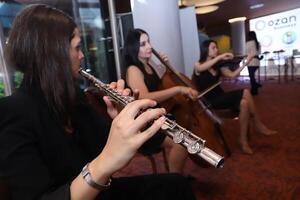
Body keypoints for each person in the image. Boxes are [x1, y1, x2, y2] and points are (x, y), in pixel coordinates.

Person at [0, 5, 196, 200]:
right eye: (77, 48)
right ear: (53, 54)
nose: (82, 55)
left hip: (100, 192)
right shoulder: (12, 112)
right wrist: (105, 162)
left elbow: (108, 148)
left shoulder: (73, 98)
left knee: (176, 186)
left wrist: (122, 120)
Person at [124, 28, 198, 174]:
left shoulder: (149, 65)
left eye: (149, 42)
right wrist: (178, 90)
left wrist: (166, 64)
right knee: (181, 143)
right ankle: (175, 183)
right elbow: (144, 97)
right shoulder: (133, 69)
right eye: (143, 44)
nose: (149, 47)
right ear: (134, 48)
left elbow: (165, 80)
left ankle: (177, 176)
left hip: (158, 118)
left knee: (186, 135)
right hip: (145, 125)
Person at [193, 39, 277, 154]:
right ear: (205, 50)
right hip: (210, 101)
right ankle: (258, 124)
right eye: (213, 48)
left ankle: (243, 141)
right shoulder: (198, 65)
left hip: (221, 95)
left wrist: (246, 61)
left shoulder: (219, 66)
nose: (216, 50)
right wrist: (220, 57)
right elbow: (200, 69)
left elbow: (232, 75)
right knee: (245, 92)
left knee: (244, 104)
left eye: (216, 48)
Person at [246, 31, 262, 95]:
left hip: (251, 62)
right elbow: (259, 53)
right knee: (252, 76)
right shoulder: (258, 43)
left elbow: (246, 52)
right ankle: (254, 89)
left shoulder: (248, 43)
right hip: (257, 62)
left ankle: (255, 89)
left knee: (251, 77)